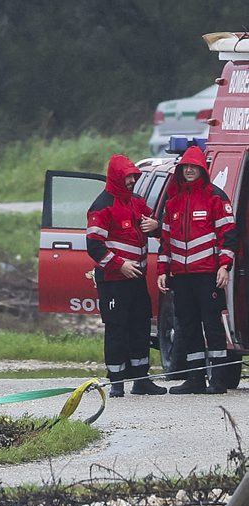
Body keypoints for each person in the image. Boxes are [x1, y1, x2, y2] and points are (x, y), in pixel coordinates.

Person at [156, 145, 236, 394]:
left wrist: (224, 266)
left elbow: (229, 236)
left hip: (208, 274)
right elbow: (166, 241)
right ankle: (195, 378)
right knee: (187, 325)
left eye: (193, 167)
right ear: (180, 171)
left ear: (202, 169)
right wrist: (162, 269)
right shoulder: (174, 202)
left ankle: (219, 380)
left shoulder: (216, 197)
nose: (189, 171)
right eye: (185, 168)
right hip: (181, 276)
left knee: (212, 325)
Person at [86, 154, 167, 398]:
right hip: (113, 281)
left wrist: (157, 225)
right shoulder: (102, 206)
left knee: (140, 327)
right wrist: (120, 265)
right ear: (116, 177)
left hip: (136, 279)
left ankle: (141, 379)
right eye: (128, 176)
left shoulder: (137, 202)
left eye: (134, 176)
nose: (132, 180)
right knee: (116, 329)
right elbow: (94, 246)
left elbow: (156, 226)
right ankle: (117, 381)